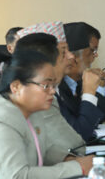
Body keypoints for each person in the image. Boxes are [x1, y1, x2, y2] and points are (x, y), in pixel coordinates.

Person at [0, 35, 92, 179]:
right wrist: (77, 168)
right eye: (46, 85)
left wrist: (69, 159)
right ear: (16, 87)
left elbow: (42, 150)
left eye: (53, 85)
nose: (52, 91)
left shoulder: (31, 111)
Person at [14, 22, 85, 158]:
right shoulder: (35, 96)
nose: (71, 56)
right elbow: (74, 145)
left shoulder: (54, 88)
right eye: (63, 52)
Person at [56, 22, 105, 140]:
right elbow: (79, 134)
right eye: (92, 51)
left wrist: (100, 88)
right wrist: (89, 93)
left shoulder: (80, 81)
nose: (95, 56)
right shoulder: (55, 88)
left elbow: (104, 113)